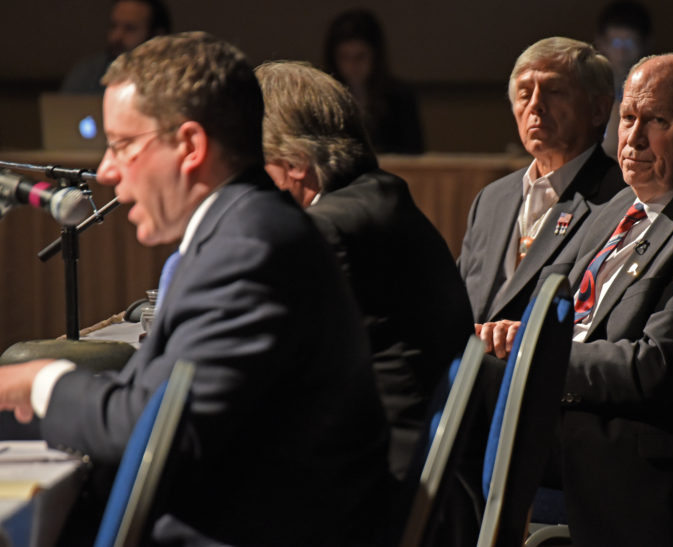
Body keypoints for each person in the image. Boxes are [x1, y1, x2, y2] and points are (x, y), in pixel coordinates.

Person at [1, 32, 390, 546]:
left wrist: (38, 380)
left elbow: (154, 433)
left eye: (122, 144)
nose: (107, 170)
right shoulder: (241, 230)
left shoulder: (250, 248)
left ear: (189, 146)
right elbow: (148, 401)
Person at [482, 53, 673, 546]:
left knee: (448, 426)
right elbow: (561, 308)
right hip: (573, 416)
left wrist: (538, 353)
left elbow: (656, 367)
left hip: (633, 455)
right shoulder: (621, 203)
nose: (633, 138)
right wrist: (512, 335)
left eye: (657, 121)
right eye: (627, 118)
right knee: (449, 384)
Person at [255, 60, 472, 480]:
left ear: (296, 163)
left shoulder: (328, 229)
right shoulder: (380, 196)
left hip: (382, 482)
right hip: (428, 469)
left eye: (250, 163)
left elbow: (273, 374)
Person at [458, 37, 624, 326]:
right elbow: (458, 306)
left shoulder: (620, 200)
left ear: (599, 110)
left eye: (555, 91)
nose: (535, 105)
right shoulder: (491, 199)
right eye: (524, 93)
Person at [323, 8, 424, 154]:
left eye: (360, 56)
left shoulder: (400, 97)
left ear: (376, 56)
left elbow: (414, 155)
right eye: (344, 57)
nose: (352, 66)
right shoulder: (324, 98)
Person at [60, 0, 171, 94]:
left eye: (129, 28)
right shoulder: (88, 73)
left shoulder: (172, 76)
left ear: (157, 35)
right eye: (113, 26)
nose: (116, 36)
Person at [594, 0, 653, 157]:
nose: (622, 52)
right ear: (601, 44)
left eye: (630, 43)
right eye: (616, 42)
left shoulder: (656, 92)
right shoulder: (589, 91)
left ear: (645, 44)